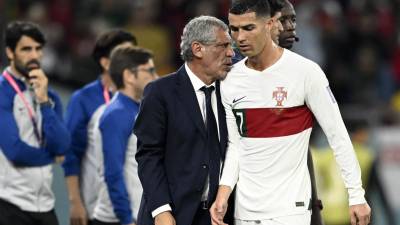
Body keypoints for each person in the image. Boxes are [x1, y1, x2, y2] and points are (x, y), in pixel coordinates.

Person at [210, 1, 372, 225]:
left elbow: (338, 136)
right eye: (234, 29)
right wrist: (223, 193)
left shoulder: (305, 72)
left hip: (290, 211)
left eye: (248, 28)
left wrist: (356, 195)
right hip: (245, 212)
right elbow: (236, 146)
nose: (240, 38)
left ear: (270, 24)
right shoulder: (230, 79)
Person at [134, 15, 234, 225]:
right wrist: (161, 210)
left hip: (215, 217)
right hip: (171, 214)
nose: (231, 53)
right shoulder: (160, 92)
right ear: (197, 49)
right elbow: (148, 156)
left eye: (230, 46)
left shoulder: (230, 92)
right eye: (223, 45)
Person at [62, 30, 137, 225]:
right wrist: (75, 202)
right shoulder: (84, 99)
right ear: (105, 62)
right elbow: (71, 155)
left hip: (134, 208)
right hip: (95, 208)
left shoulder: (142, 98)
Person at [0, 20, 70, 225]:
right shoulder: (3, 92)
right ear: (10, 53)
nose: (34, 55)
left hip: (45, 205)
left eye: (38, 49)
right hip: (9, 204)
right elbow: (15, 151)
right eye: (26, 49)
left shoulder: (50, 95)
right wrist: (51, 157)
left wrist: (44, 102)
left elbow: (63, 145)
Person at [92, 46, 157, 225]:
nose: (155, 76)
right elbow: (113, 172)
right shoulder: (117, 114)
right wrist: (126, 218)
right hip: (120, 220)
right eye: (149, 70)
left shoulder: (135, 110)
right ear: (129, 76)